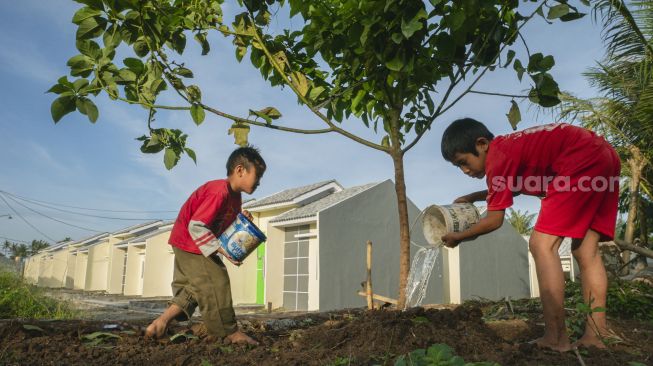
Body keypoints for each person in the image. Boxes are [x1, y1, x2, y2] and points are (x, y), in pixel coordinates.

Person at [440, 118, 620, 352]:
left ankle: (556, 337)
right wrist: (473, 196)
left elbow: (494, 220)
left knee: (541, 245)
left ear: (482, 144)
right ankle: (596, 335)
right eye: (458, 167)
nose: (464, 170)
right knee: (586, 250)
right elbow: (510, 186)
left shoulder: (498, 158)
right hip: (604, 157)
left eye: (464, 162)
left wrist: (459, 236)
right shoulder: (510, 149)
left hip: (580, 159)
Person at [145, 146, 266, 345]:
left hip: (185, 242)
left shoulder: (235, 198)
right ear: (240, 170)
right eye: (258, 175)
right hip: (190, 242)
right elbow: (197, 225)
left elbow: (221, 224)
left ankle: (159, 324)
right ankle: (228, 332)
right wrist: (219, 249)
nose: (260, 181)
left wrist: (239, 220)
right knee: (216, 278)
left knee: (196, 287)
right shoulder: (219, 191)